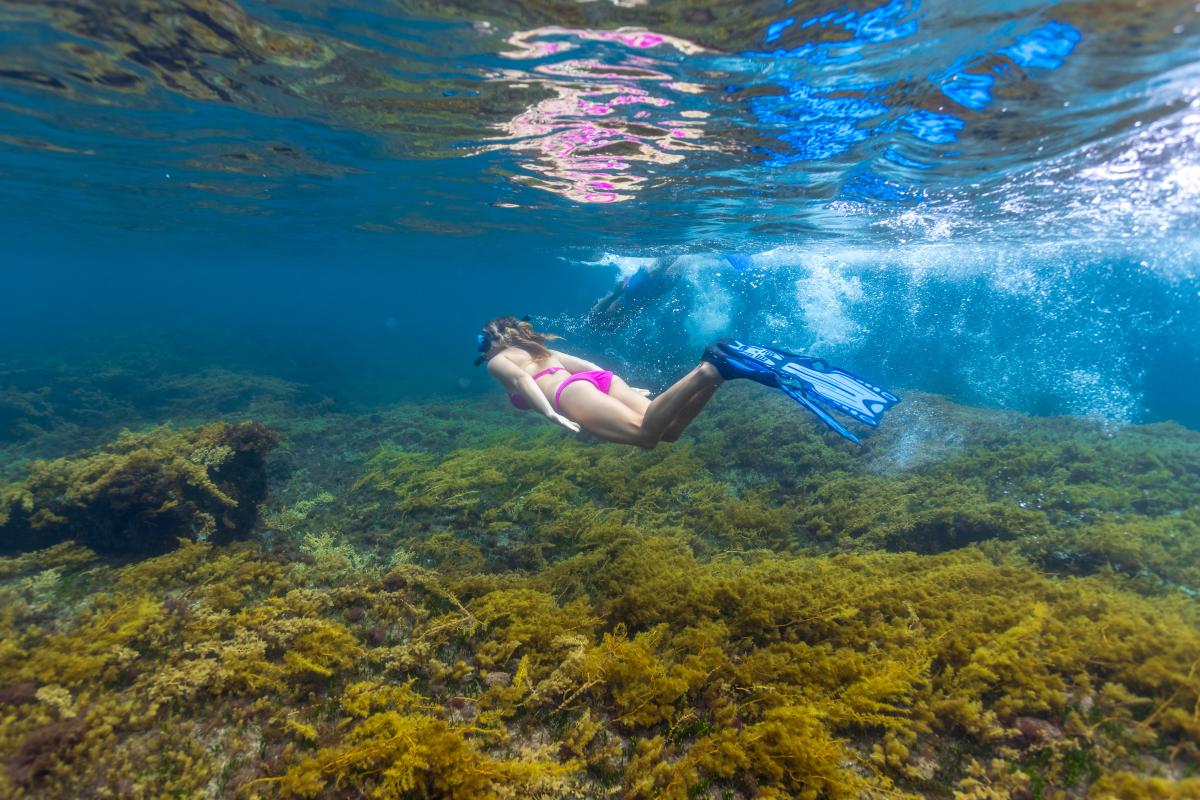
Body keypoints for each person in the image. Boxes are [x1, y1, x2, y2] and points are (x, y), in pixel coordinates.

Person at [476, 316, 899, 448]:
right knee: (670, 432)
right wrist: (619, 386)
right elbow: (583, 363)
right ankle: (720, 376)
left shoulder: (501, 361)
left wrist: (551, 412)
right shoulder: (538, 350)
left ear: (490, 342)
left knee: (646, 437)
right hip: (594, 382)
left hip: (570, 394)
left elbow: (524, 383)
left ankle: (708, 369)